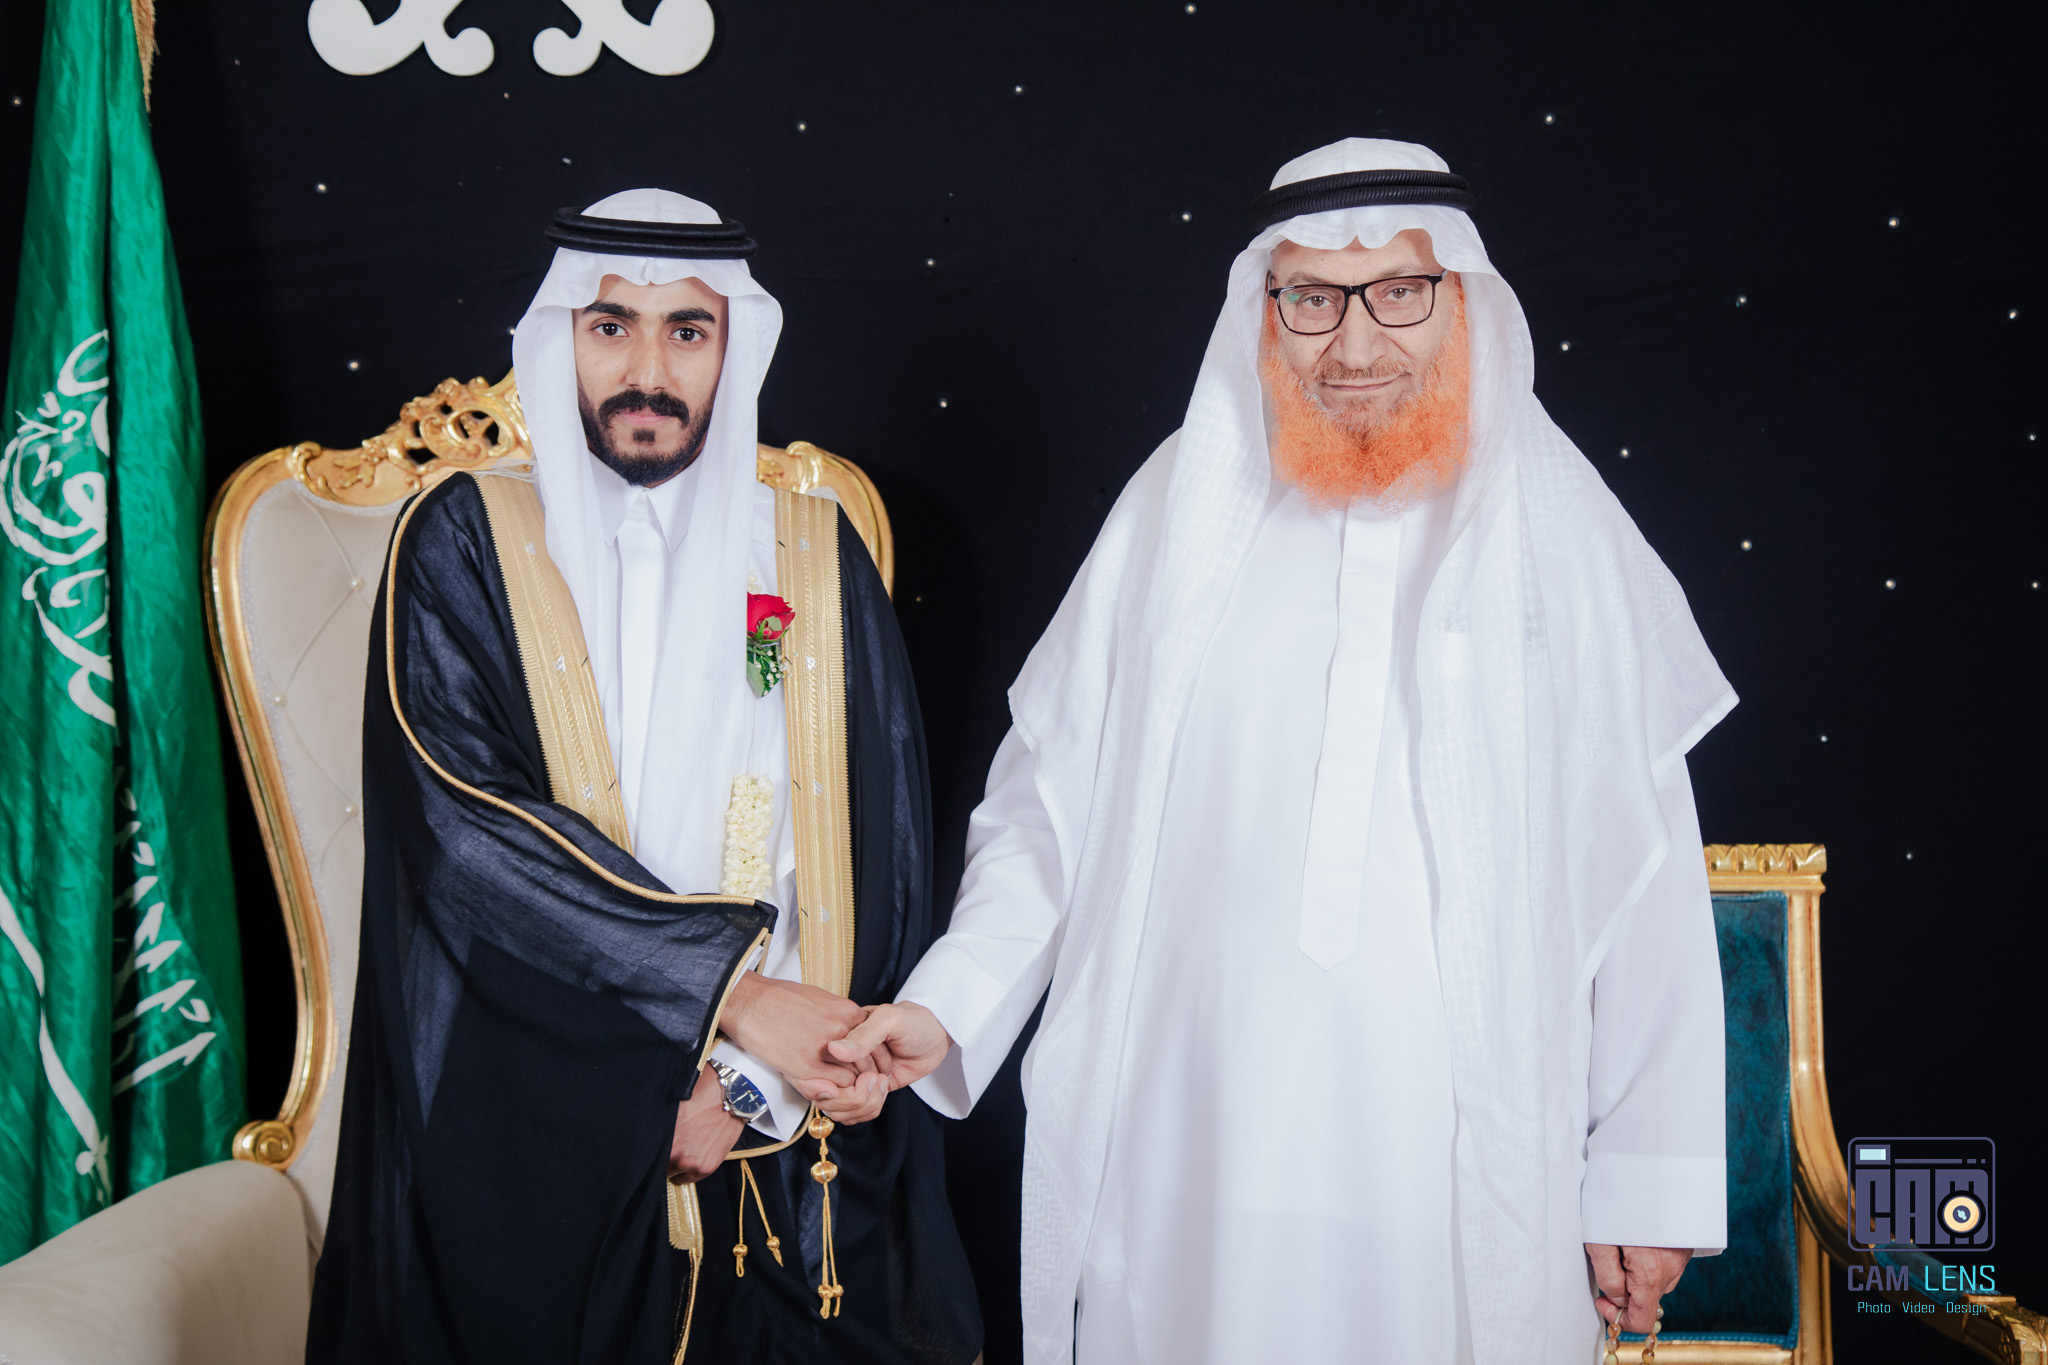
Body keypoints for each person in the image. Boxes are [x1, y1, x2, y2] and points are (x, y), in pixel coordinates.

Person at [832, 140, 1733, 1365]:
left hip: (1462, 1169)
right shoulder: (1177, 510)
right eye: (1310, 298)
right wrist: (948, 1008)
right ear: (1263, 310)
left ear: (1459, 300)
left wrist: (1644, 1175)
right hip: (1193, 1146)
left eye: (1396, 293)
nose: (1353, 345)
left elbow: (1645, 883)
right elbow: (1051, 816)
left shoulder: (1557, 533)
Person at [309, 189, 981, 1365]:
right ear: (559, 335)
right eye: (611, 325)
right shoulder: (462, 537)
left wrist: (739, 1081)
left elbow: (870, 864)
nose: (648, 371)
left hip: (768, 1125)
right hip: (523, 1097)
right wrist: (727, 1001)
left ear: (732, 348)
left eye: (687, 330)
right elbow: (466, 844)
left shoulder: (806, 558)